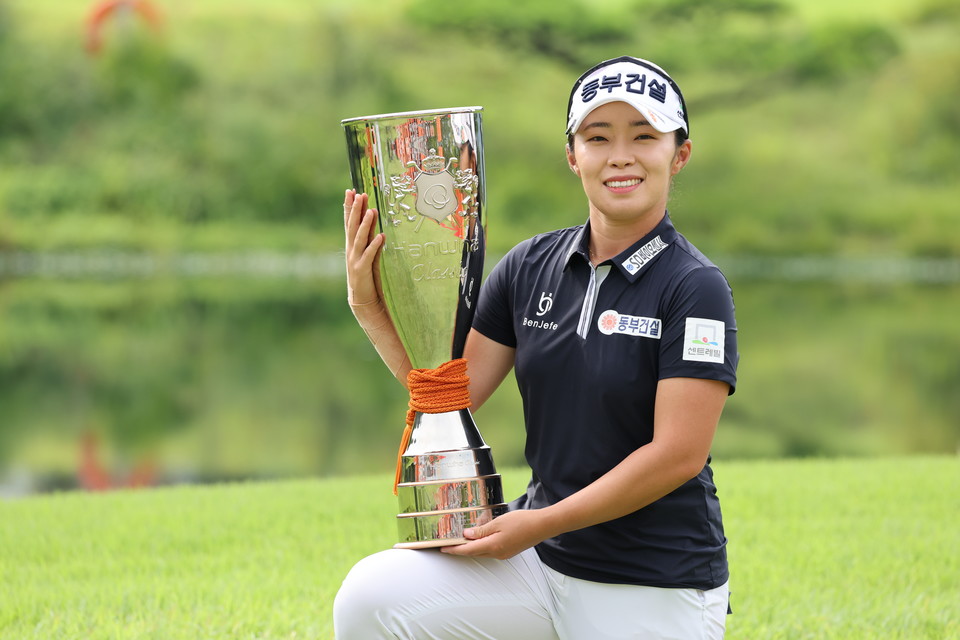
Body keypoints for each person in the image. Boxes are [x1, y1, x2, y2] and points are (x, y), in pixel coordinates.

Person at [335, 55, 738, 640]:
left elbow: (678, 454)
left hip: (654, 582)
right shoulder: (529, 267)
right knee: (371, 598)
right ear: (573, 156)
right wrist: (370, 308)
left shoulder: (695, 287)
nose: (620, 155)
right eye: (597, 137)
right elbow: (449, 396)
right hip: (541, 566)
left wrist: (537, 523)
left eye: (644, 137)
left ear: (679, 154)